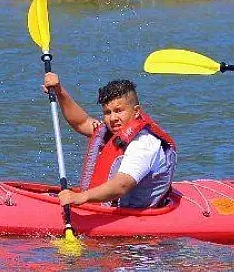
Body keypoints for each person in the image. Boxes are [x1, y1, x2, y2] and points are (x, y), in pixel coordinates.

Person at [42, 73, 177, 209]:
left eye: (118, 111)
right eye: (107, 112)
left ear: (136, 112)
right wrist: (60, 91)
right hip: (110, 207)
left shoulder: (143, 144)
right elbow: (81, 122)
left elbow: (122, 185)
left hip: (135, 214)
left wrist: (82, 197)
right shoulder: (111, 131)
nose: (112, 118)